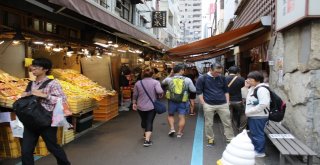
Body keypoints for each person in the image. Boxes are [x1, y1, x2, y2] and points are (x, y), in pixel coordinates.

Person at [20, 58, 70, 165]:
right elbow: (29, 99)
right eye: (33, 66)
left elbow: (61, 100)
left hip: (46, 121)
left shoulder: (53, 83)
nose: (33, 68)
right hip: (31, 120)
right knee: (26, 150)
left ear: (45, 69)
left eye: (37, 67)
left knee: (52, 147)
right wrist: (25, 95)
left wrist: (45, 95)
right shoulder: (30, 84)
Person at [196, 63, 234, 146]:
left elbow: (226, 91)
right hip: (208, 104)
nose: (218, 74)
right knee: (209, 123)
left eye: (220, 72)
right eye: (216, 72)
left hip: (223, 104)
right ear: (210, 69)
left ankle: (230, 138)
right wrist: (203, 103)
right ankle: (210, 138)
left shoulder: (222, 77)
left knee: (227, 122)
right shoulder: (202, 78)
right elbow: (199, 92)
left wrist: (227, 102)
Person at [162, 64, 196, 138]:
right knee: (182, 117)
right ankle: (179, 133)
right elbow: (193, 90)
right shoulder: (187, 79)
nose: (184, 71)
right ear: (181, 70)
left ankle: (172, 129)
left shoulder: (169, 79)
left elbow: (162, 83)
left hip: (172, 100)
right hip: (183, 101)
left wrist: (170, 75)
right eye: (183, 70)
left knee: (170, 115)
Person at [132, 68, 164, 147]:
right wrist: (160, 94)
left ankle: (145, 133)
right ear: (152, 74)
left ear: (143, 74)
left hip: (140, 106)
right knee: (149, 121)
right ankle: (147, 140)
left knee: (143, 120)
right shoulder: (155, 82)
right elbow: (160, 91)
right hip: (151, 106)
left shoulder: (138, 83)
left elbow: (135, 94)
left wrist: (134, 103)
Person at [245, 71, 270, 157]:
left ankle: (260, 152)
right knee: (255, 133)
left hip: (259, 116)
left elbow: (263, 104)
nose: (248, 80)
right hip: (255, 115)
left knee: (258, 134)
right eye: (248, 78)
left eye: (250, 79)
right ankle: (257, 149)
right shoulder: (254, 88)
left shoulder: (261, 89)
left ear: (257, 80)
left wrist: (249, 111)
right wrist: (247, 87)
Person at [226, 66, 246, 135]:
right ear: (237, 72)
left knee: (229, 115)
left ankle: (228, 131)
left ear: (228, 72)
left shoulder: (224, 79)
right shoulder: (241, 79)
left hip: (227, 100)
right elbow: (244, 88)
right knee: (243, 113)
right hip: (238, 100)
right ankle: (241, 130)